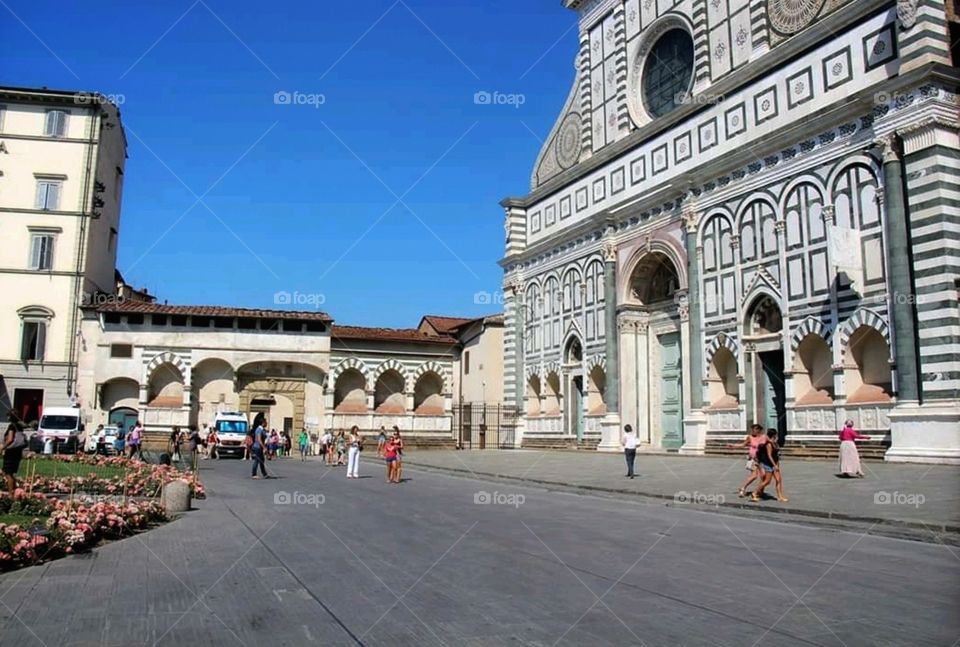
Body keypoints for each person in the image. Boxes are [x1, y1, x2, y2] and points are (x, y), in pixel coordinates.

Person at [728, 424, 767, 497]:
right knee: (754, 476)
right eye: (752, 430)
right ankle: (743, 488)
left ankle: (760, 490)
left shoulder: (764, 437)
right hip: (753, 459)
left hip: (762, 459)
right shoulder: (750, 437)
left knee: (763, 475)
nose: (753, 431)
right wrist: (733, 446)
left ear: (758, 430)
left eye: (754, 429)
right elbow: (743, 444)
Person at [752, 429, 788, 502]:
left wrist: (777, 464)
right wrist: (774, 465)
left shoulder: (775, 443)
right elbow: (769, 456)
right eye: (776, 435)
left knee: (778, 480)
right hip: (769, 464)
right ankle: (755, 492)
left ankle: (780, 496)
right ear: (774, 435)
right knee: (767, 481)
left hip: (776, 463)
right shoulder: (769, 444)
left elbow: (776, 454)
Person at [2, 420, 27, 493]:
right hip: (18, 452)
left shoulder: (12, 426)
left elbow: (10, 439)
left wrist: (3, 447)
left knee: (8, 473)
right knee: (11, 473)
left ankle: (11, 492)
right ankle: (16, 490)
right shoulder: (19, 426)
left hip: (11, 452)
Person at [250, 415, 269, 479]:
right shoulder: (259, 429)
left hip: (259, 447)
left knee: (262, 460)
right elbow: (259, 440)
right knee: (257, 460)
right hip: (257, 447)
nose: (267, 423)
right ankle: (254, 474)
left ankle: (264, 474)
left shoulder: (262, 429)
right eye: (266, 422)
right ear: (263, 423)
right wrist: (264, 447)